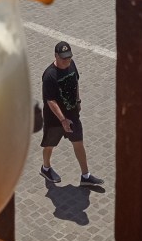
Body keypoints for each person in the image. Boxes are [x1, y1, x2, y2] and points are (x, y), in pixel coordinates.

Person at [40, 41, 104, 187]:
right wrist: (63, 120)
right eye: (63, 58)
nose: (67, 61)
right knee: (49, 145)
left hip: (72, 115)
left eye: (69, 57)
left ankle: (85, 176)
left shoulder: (72, 64)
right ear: (56, 56)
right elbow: (50, 101)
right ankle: (46, 168)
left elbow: (76, 82)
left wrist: (78, 101)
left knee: (78, 143)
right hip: (55, 119)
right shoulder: (49, 75)